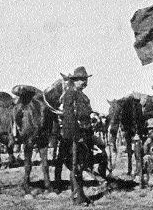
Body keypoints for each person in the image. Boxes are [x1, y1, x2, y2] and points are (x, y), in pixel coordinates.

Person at [58, 66, 96, 206]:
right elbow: (69, 117)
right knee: (76, 166)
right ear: (75, 80)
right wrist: (76, 135)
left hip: (84, 133)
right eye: (82, 79)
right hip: (76, 135)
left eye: (86, 79)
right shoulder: (70, 94)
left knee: (80, 165)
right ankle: (77, 198)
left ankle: (80, 195)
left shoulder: (81, 95)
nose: (85, 82)